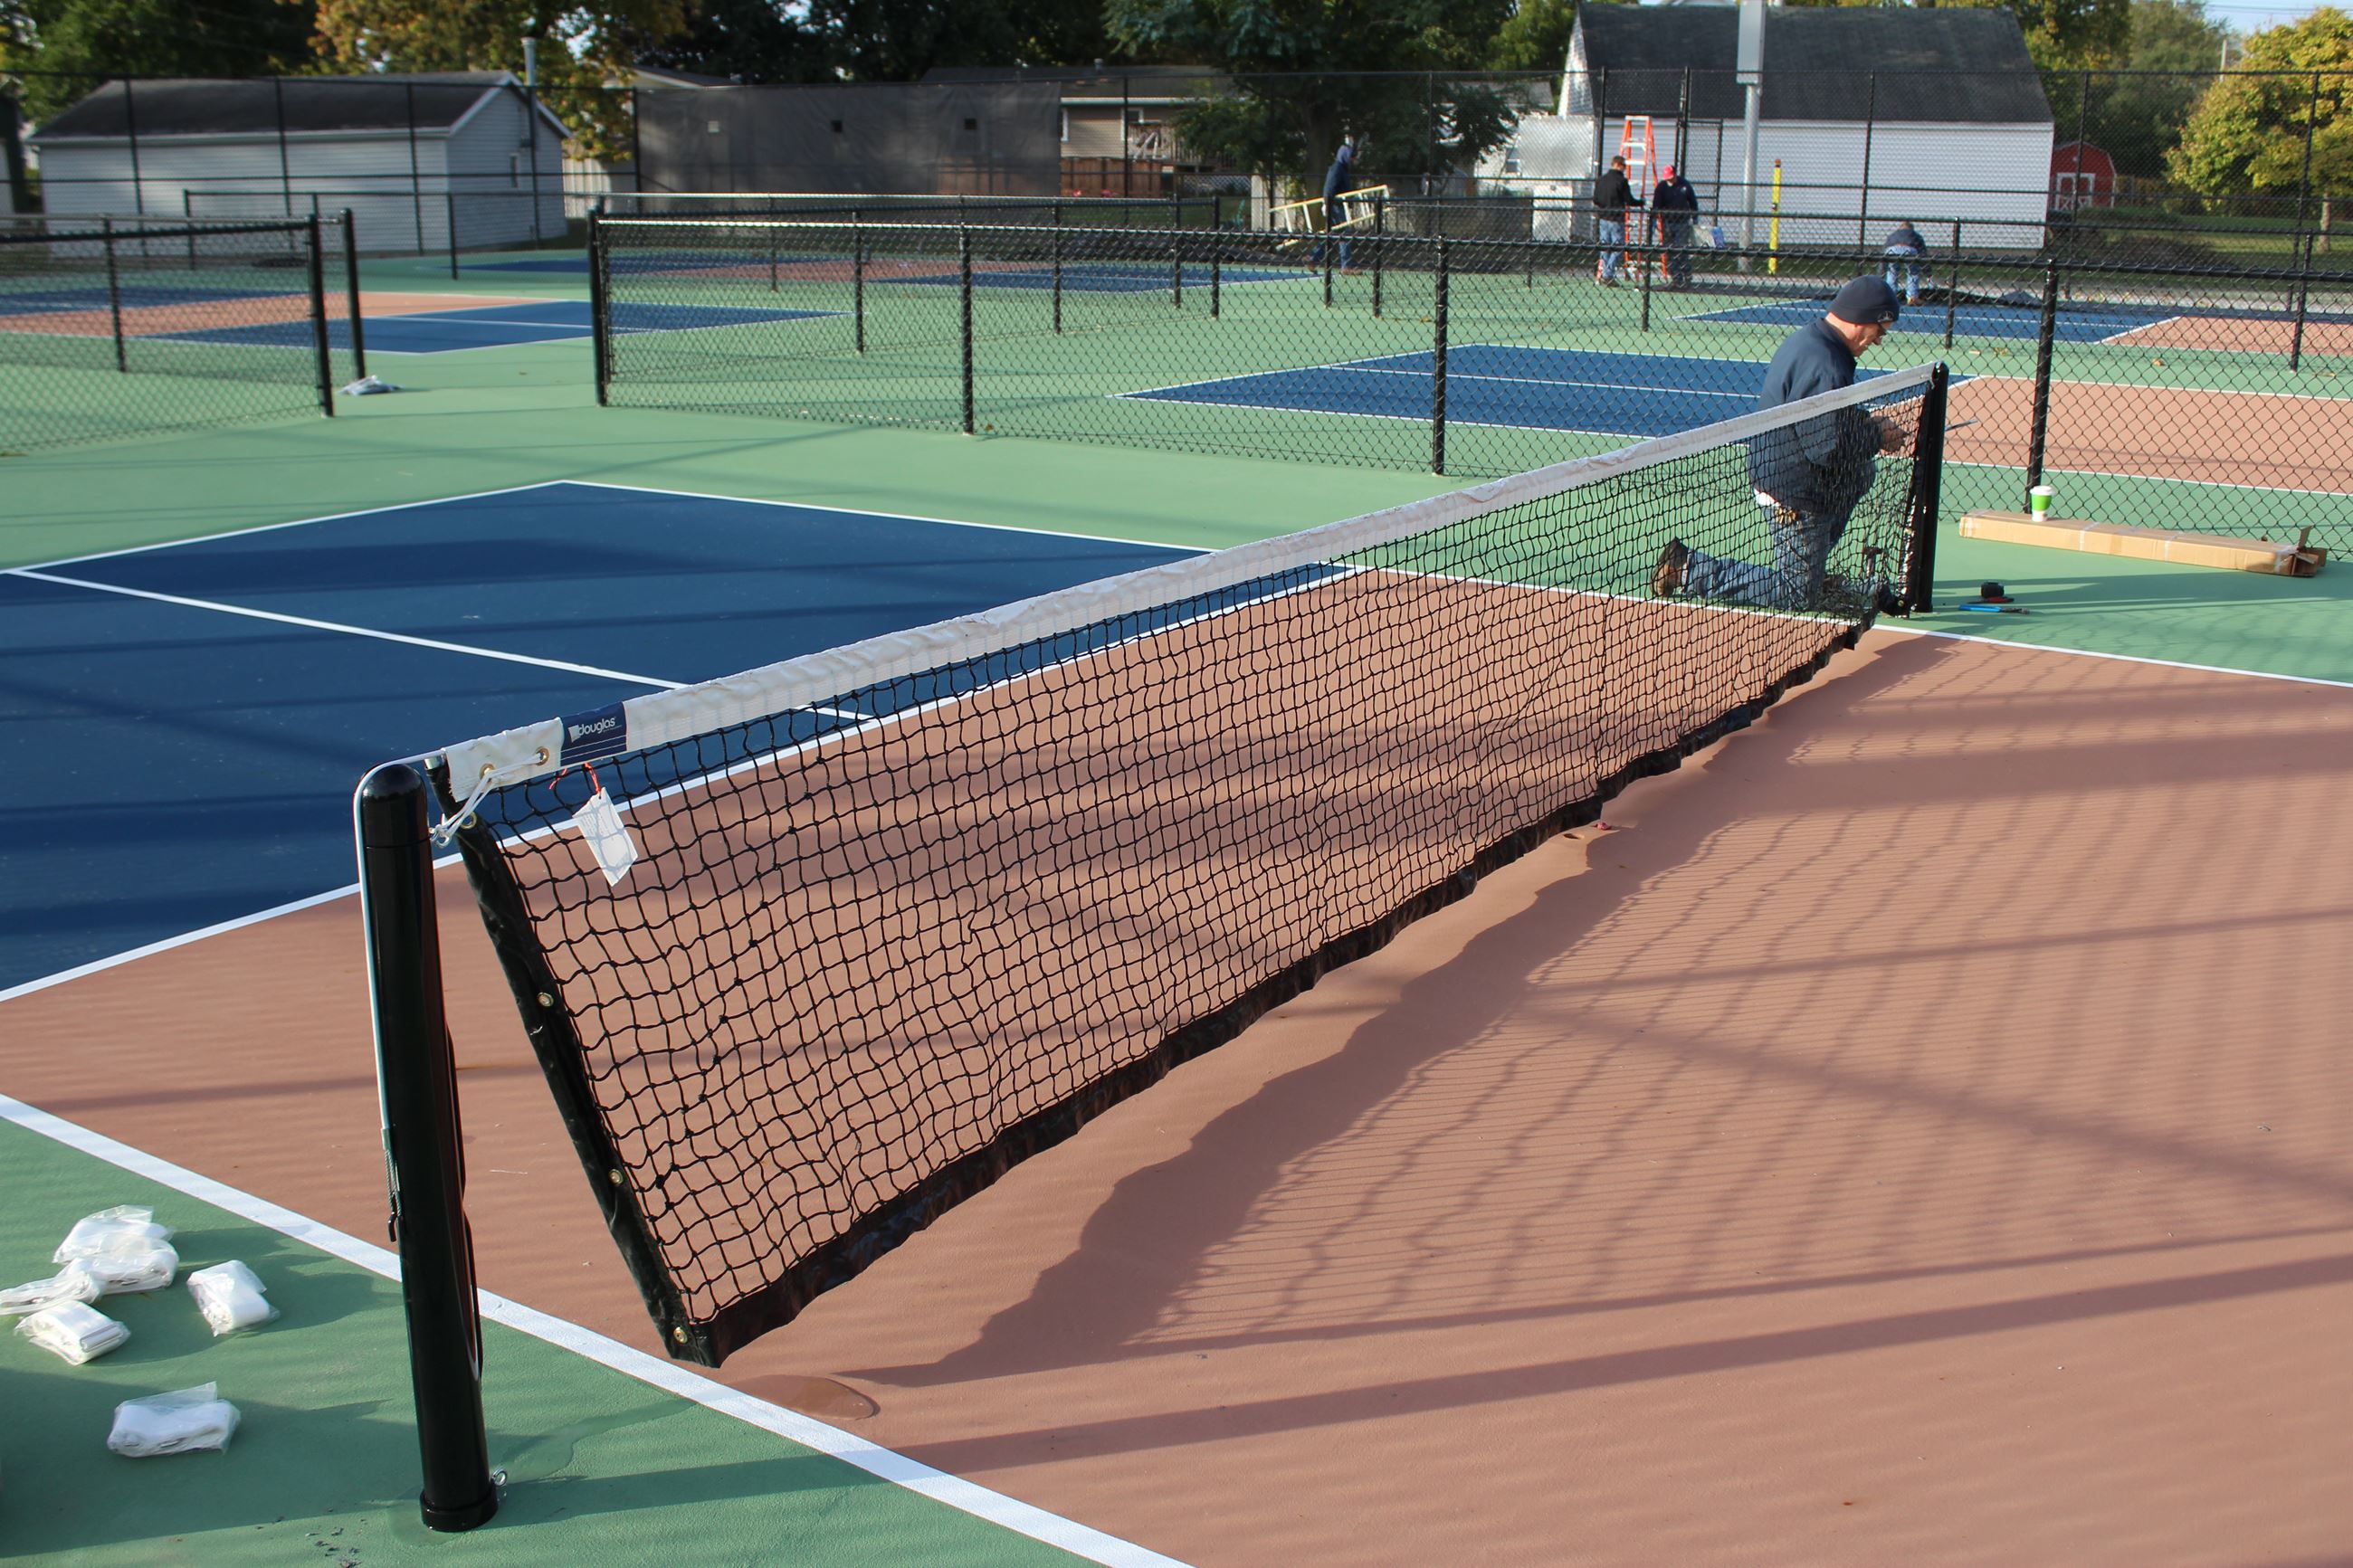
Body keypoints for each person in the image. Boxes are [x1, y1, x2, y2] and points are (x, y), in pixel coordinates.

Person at [1651, 276, 1907, 612]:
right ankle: (1689, 569)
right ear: (1864, 319)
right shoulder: (1826, 363)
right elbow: (1824, 446)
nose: (1878, 341)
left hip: (1795, 476)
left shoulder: (1816, 342)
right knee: (1795, 595)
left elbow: (1824, 415)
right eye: (1880, 331)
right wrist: (1877, 436)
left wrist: (1866, 423)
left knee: (1860, 474)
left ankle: (1808, 572)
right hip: (1793, 487)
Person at [1309, 136, 1358, 271]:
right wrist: (1327, 204)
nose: (1353, 160)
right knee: (1344, 234)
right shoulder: (1337, 168)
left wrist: (1349, 203)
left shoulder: (1342, 169)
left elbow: (1344, 189)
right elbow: (1329, 187)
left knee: (1331, 234)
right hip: (1335, 206)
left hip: (1338, 205)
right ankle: (1346, 265)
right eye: (1351, 157)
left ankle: (1312, 258)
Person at [1592, 155, 1640, 286]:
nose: (1624, 169)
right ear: (1618, 165)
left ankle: (1606, 274)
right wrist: (1641, 202)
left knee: (1605, 247)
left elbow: (1596, 199)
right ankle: (1608, 274)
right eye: (1624, 166)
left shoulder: (1601, 180)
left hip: (1603, 218)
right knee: (1618, 247)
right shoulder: (1621, 181)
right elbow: (1629, 200)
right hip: (1616, 219)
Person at [1651, 165, 1700, 289]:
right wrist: (1654, 219)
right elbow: (1656, 204)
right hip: (1668, 223)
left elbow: (1692, 201)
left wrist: (1694, 217)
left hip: (1682, 222)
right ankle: (1676, 278)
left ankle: (1687, 274)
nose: (1669, 181)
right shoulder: (1661, 188)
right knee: (1669, 250)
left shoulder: (1684, 185)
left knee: (1681, 249)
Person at [1881, 220, 1927, 305]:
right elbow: (1922, 253)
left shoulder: (1892, 235)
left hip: (1892, 250)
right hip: (1909, 249)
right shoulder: (1916, 235)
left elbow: (1884, 253)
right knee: (1913, 272)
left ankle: (1891, 296)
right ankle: (1912, 297)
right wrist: (1928, 272)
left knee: (1892, 272)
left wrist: (1881, 272)